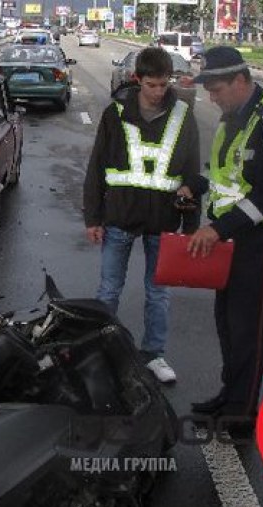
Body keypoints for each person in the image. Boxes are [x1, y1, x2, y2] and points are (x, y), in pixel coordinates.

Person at [187, 47, 263, 430]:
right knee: (226, 321)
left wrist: (216, 230)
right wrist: (196, 187)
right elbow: (228, 179)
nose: (212, 97)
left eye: (217, 89)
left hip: (261, 240)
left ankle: (242, 412)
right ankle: (230, 395)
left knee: (248, 326)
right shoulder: (234, 117)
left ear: (240, 81)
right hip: (232, 236)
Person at [83, 47, 203, 384]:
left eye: (164, 85)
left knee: (158, 293)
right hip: (119, 217)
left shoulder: (183, 116)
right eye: (152, 85)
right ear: (138, 80)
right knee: (108, 290)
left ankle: (154, 354)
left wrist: (191, 226)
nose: (158, 92)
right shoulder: (115, 114)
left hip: (163, 222)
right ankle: (102, 350)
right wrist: (92, 218)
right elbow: (96, 168)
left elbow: (192, 176)